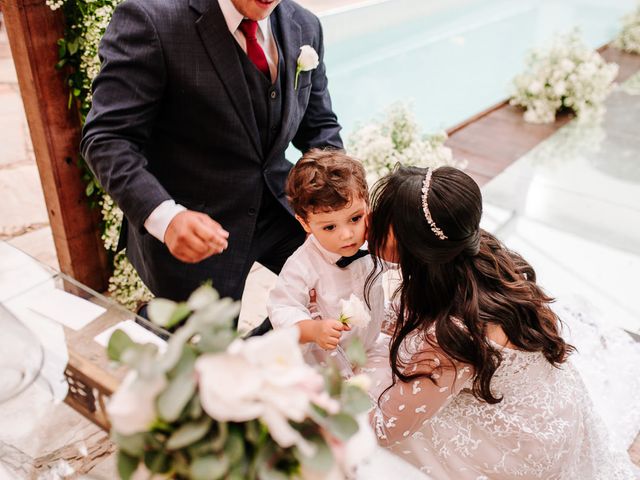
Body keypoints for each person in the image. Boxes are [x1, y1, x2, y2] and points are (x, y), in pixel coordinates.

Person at [362, 165, 638, 479]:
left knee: (386, 416)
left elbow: (384, 428)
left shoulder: (452, 335)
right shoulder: (478, 251)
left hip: (524, 446)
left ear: (416, 245)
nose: (369, 223)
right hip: (555, 409)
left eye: (383, 219)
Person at [80, 0, 343, 305]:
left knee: (335, 291)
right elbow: (107, 138)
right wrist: (166, 217)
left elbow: (319, 126)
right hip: (195, 223)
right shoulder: (150, 19)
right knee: (206, 346)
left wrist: (339, 193)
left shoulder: (305, 24)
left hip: (279, 208)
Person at [267, 149, 383, 373]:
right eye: (330, 227)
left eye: (355, 218)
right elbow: (282, 308)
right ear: (305, 224)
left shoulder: (372, 241)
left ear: (367, 206)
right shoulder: (302, 264)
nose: (347, 235)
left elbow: (398, 259)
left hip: (369, 346)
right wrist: (313, 329)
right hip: (326, 363)